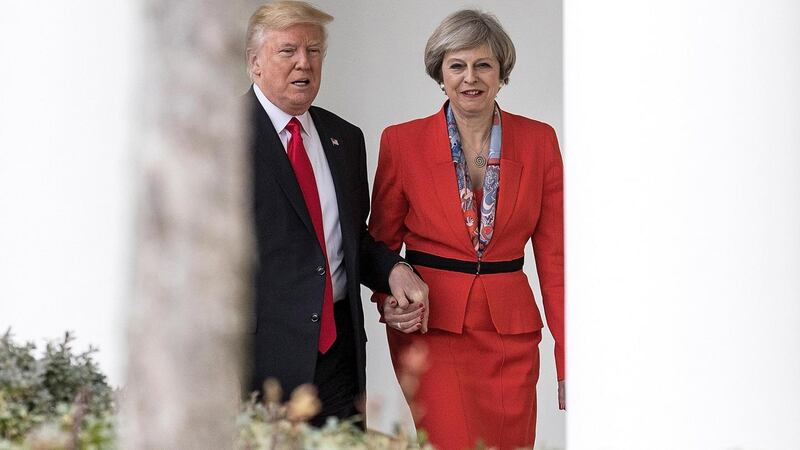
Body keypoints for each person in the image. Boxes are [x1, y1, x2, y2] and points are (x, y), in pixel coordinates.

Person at [369, 9, 565, 449]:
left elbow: (556, 261)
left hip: (511, 336)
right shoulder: (401, 142)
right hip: (433, 331)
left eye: (483, 65)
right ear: (440, 72)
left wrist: (568, 358)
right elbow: (378, 244)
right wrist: (389, 299)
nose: (470, 77)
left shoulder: (540, 141)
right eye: (457, 65)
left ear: (501, 73)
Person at [244, 1, 428, 427]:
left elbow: (351, 237)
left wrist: (394, 269)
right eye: (287, 51)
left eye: (314, 51)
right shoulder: (223, 136)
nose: (304, 62)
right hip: (262, 363)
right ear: (255, 63)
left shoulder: (344, 137)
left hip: (340, 355)